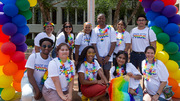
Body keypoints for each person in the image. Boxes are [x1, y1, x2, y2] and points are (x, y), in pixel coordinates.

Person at [91, 13, 116, 81]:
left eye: (102, 18)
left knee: (106, 72)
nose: (101, 20)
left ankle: (106, 89)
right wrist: (98, 57)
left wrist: (108, 56)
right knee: (98, 73)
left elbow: (113, 43)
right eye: (99, 18)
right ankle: (99, 89)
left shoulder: (110, 29)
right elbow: (94, 44)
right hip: (97, 56)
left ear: (105, 19)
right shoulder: (94, 30)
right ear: (97, 20)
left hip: (108, 57)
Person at [74, 22, 93, 97]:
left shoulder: (92, 35)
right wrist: (76, 60)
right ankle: (80, 90)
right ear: (83, 27)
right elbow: (77, 48)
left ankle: (88, 89)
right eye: (86, 27)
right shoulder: (80, 35)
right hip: (80, 56)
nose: (87, 29)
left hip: (89, 56)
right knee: (81, 73)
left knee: (88, 73)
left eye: (89, 27)